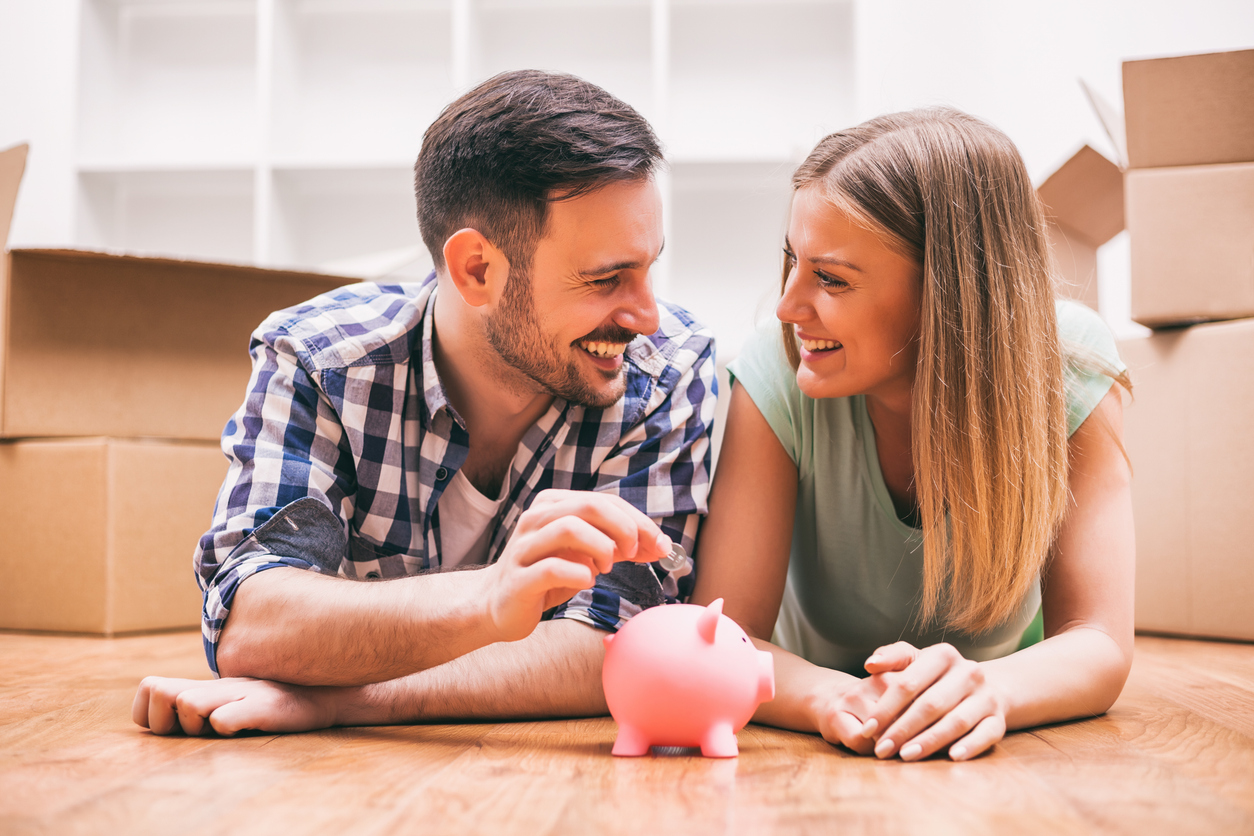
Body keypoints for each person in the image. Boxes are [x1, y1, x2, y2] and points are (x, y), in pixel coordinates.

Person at [133, 70, 715, 737]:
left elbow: (617, 647)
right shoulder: (322, 362)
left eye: (649, 268)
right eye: (607, 278)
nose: (646, 315)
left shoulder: (665, 373)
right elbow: (251, 622)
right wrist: (487, 601)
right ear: (477, 270)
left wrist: (340, 701)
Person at [692, 108, 1134, 762]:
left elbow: (1099, 636)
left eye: (831, 278)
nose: (787, 305)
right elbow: (724, 636)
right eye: (793, 261)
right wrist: (830, 699)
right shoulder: (773, 372)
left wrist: (991, 689)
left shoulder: (1068, 366)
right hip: (821, 722)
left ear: (949, 293)